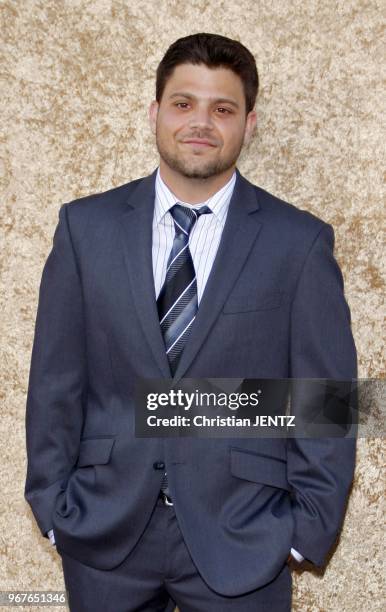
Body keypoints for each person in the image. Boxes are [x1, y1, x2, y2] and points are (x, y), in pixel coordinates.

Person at [24, 33, 357, 612]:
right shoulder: (84, 230)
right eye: (183, 104)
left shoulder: (298, 243)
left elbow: (328, 401)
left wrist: (302, 533)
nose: (200, 123)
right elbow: (55, 382)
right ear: (155, 113)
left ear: (248, 124)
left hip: (244, 538)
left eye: (222, 109)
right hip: (103, 538)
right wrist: (54, 509)